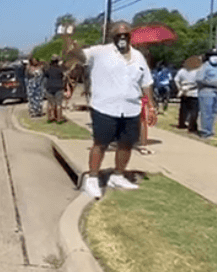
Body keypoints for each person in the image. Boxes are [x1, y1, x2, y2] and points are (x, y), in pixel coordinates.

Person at [64, 21, 155, 199]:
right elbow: (76, 55)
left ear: (130, 36)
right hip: (104, 107)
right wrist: (68, 38)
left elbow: (147, 82)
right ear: (112, 36)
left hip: (130, 108)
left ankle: (118, 175)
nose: (122, 37)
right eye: (118, 35)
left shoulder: (138, 56)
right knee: (101, 143)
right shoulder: (100, 52)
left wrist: (151, 105)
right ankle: (92, 178)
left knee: (126, 144)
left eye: (125, 34)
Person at [195, 48, 217, 140]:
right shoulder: (204, 67)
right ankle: (205, 132)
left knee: (214, 112)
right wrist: (213, 83)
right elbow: (199, 79)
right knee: (206, 112)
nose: (215, 58)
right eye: (213, 56)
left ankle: (210, 130)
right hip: (206, 92)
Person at [174, 62, 199, 134]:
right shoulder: (197, 71)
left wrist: (180, 88)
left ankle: (181, 124)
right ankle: (192, 127)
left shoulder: (182, 71)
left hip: (183, 91)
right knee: (194, 111)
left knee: (183, 109)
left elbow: (176, 80)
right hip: (194, 92)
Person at [44, 55, 66, 123]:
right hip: (58, 87)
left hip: (49, 88)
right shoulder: (60, 69)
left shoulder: (48, 69)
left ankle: (49, 118)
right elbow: (63, 77)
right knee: (59, 104)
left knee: (50, 104)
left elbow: (46, 76)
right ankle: (59, 119)